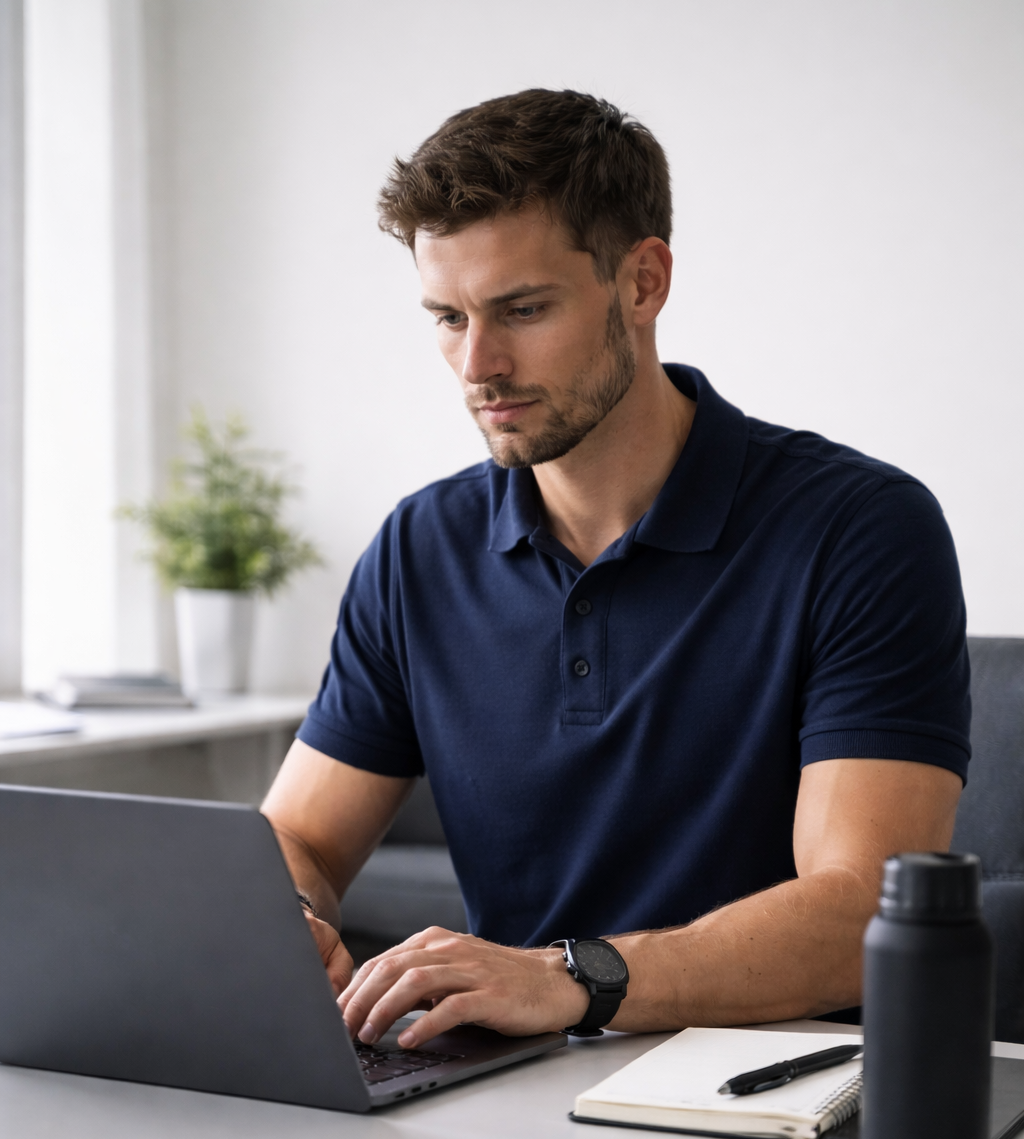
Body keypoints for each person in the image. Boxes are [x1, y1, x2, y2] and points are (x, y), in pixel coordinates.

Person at [261, 88, 969, 1053]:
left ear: (642, 283)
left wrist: (567, 976)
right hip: (503, 1083)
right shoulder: (417, 549)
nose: (479, 364)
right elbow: (297, 839)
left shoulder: (859, 528)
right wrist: (286, 916)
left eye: (521, 309)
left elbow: (864, 914)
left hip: (768, 1087)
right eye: (446, 316)